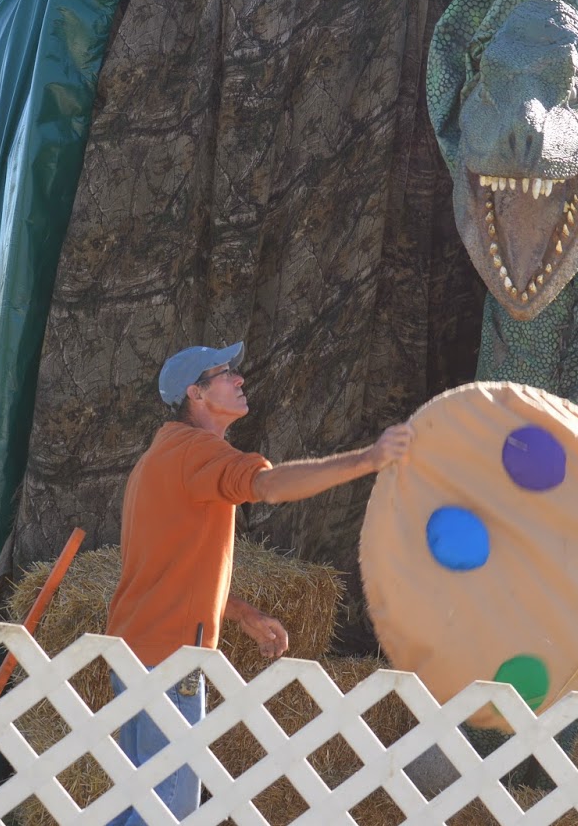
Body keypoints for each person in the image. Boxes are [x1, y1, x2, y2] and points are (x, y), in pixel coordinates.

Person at [103, 340, 413, 825]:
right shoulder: (199, 452)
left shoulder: (162, 456)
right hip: (170, 657)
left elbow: (169, 566)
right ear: (196, 394)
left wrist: (243, 613)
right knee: (171, 809)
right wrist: (368, 460)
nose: (240, 378)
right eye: (225, 373)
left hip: (134, 650)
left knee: (137, 804)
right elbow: (269, 487)